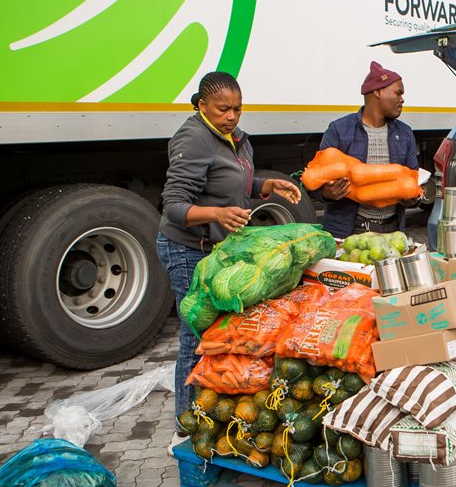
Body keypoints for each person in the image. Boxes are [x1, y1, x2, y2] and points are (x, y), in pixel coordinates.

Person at [156, 71, 301, 452]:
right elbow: (173, 206)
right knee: (196, 336)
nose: (233, 115)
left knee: (219, 333)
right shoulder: (192, 138)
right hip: (187, 249)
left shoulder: (234, 138)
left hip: (216, 251)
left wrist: (268, 185)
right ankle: (185, 426)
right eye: (224, 109)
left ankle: (216, 417)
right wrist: (216, 216)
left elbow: (232, 184)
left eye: (238, 108)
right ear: (202, 105)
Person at [311, 61, 420, 238]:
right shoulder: (339, 130)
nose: (402, 99)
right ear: (377, 91)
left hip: (392, 231)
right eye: (398, 93)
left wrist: (413, 197)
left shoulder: (405, 133)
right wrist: (326, 193)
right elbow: (315, 181)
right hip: (350, 231)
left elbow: (413, 178)